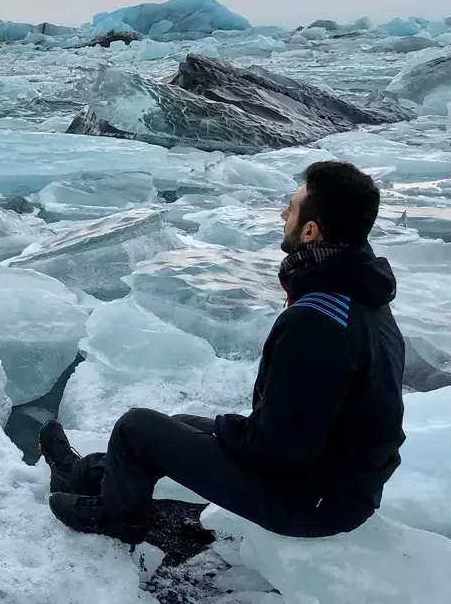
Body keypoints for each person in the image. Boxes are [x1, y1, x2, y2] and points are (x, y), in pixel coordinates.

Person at [44, 160, 406, 545]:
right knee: (179, 423)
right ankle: (80, 474)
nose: (284, 213)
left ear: (311, 231)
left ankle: (118, 518)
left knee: (137, 428)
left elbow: (280, 452)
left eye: (293, 208)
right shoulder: (361, 297)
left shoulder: (316, 322)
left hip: (311, 500)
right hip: (337, 483)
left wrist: (229, 429)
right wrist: (225, 429)